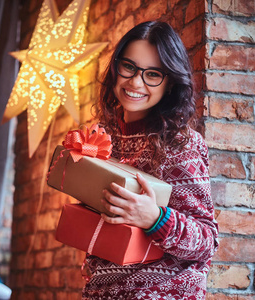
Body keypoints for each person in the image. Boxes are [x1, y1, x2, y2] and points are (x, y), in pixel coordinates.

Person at [83, 20, 219, 299]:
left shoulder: (182, 143)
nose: (135, 82)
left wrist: (155, 218)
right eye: (129, 67)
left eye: (153, 74)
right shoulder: (102, 139)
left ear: (169, 83)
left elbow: (206, 241)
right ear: (115, 67)